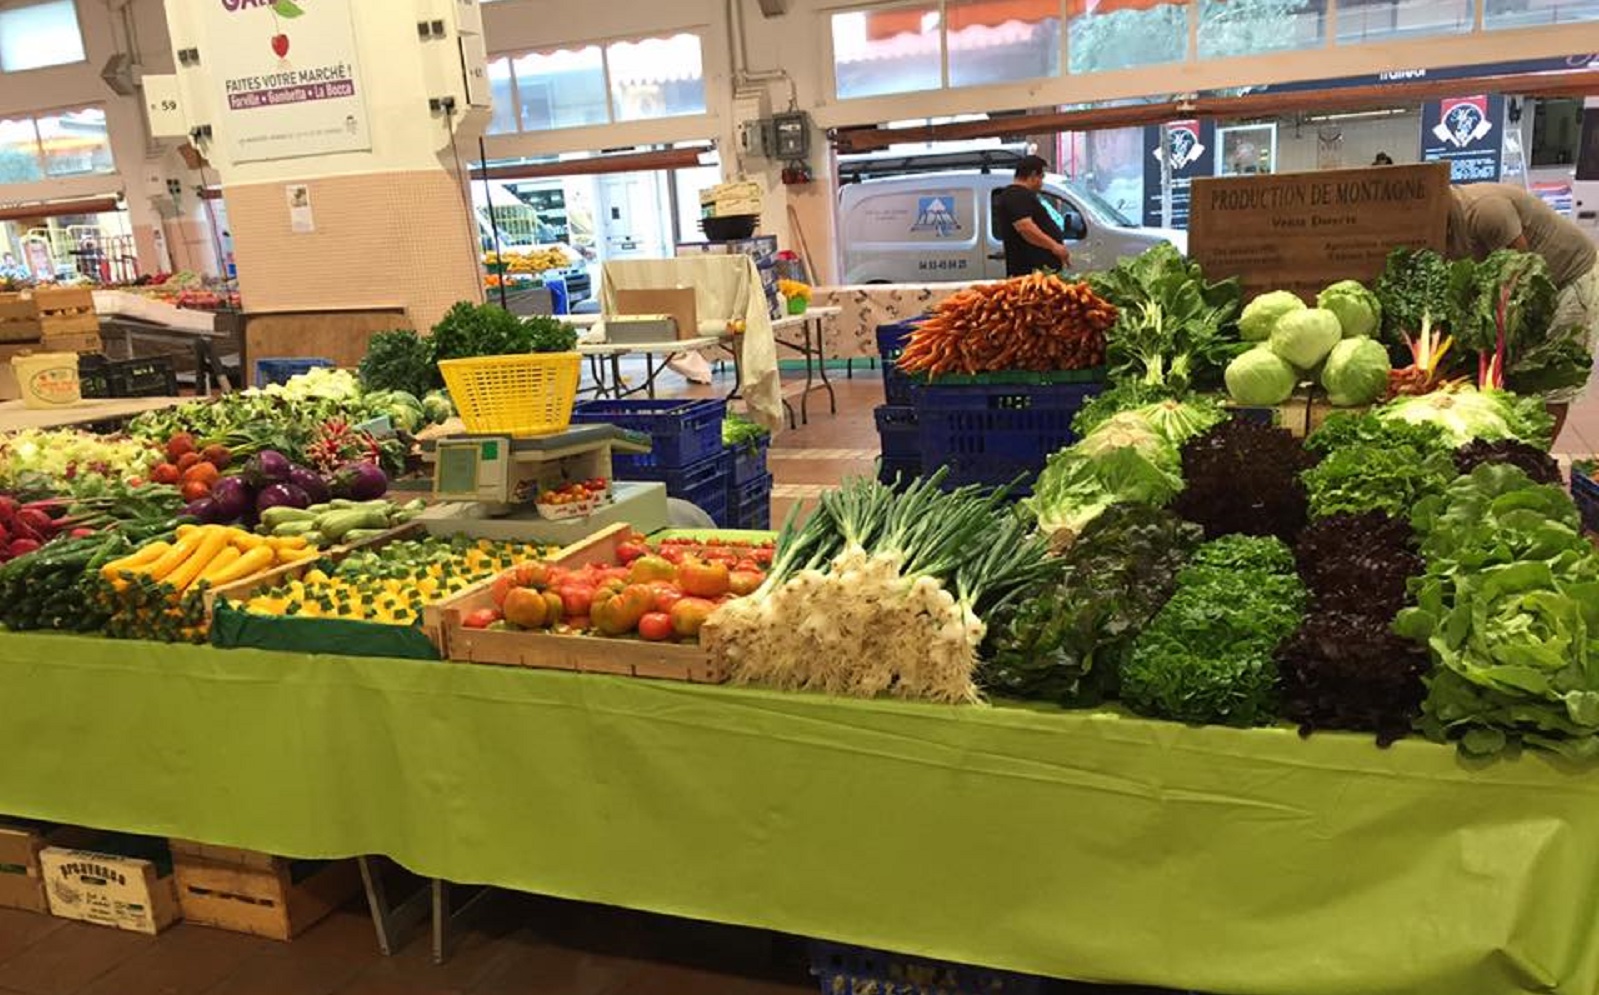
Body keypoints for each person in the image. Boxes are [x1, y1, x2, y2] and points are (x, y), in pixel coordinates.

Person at [1446, 182, 1599, 436]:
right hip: (1531, 290)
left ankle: (1539, 460)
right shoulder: (1433, 224)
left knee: (1554, 376)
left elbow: (1522, 274)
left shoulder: (1485, 211)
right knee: (1516, 371)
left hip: (1570, 278)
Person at [994, 156, 1070, 277]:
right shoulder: (1017, 195)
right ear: (1033, 175)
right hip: (1031, 273)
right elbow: (1025, 227)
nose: (1041, 183)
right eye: (1041, 177)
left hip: (1039, 273)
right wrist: (1054, 246)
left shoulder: (1020, 195)